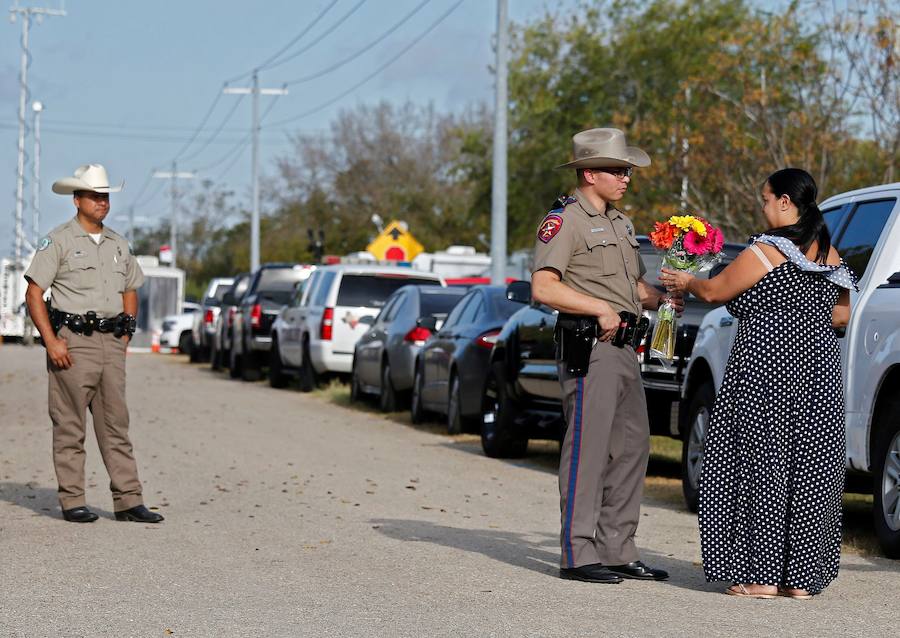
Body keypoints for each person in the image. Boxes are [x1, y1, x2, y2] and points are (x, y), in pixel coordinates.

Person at [660, 168, 855, 598]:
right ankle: (799, 581)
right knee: (811, 469)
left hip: (766, 372)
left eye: (766, 199)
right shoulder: (831, 256)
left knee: (760, 464)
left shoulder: (769, 251)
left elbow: (715, 292)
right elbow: (842, 315)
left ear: (786, 202)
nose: (762, 206)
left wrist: (684, 280)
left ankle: (762, 576)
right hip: (819, 373)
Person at [532, 128, 682, 584]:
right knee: (588, 451)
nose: (626, 177)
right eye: (618, 170)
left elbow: (630, 287)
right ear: (589, 172)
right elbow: (544, 286)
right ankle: (577, 555)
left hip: (625, 349)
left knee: (633, 446)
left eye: (628, 170)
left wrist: (663, 296)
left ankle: (617, 549)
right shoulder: (565, 220)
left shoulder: (620, 224)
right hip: (589, 349)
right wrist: (598, 307)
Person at [24, 164, 164, 524]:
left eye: (105, 196)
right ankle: (73, 501)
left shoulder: (119, 244)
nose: (102, 202)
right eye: (94, 196)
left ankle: (129, 501)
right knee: (70, 425)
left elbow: (130, 287)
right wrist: (51, 341)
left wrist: (126, 331)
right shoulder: (58, 241)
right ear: (76, 200)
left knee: (116, 424)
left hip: (111, 343)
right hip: (73, 342)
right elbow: (34, 293)